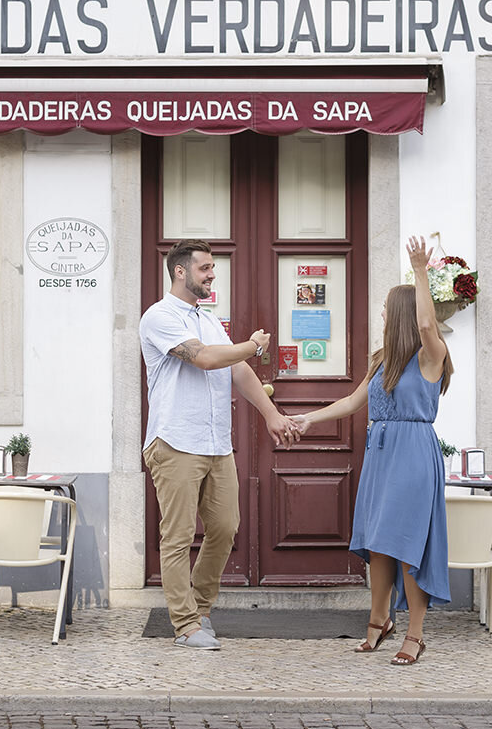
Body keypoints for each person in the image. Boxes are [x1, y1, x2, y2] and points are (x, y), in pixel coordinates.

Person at [296, 235, 453, 665]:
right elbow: (352, 402)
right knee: (379, 542)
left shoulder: (431, 355)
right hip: (381, 455)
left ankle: (416, 635)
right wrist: (310, 418)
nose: (382, 314)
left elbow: (425, 325)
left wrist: (420, 271)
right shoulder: (383, 359)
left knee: (406, 545)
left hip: (413, 455)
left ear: (400, 313)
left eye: (386, 308)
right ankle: (379, 620)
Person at [140, 238, 299, 650]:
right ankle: (185, 624)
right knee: (176, 537)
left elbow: (239, 370)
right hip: (175, 439)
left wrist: (271, 415)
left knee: (226, 528)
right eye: (205, 268)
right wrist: (253, 344)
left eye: (212, 267)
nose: (212, 274)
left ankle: (202, 607)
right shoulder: (158, 317)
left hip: (216, 443)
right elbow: (205, 359)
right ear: (180, 271)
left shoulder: (207, 319)